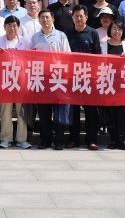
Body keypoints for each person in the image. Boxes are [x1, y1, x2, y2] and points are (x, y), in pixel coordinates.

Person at [30, 9, 71, 150]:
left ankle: (59, 140)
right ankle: (45, 139)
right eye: (42, 18)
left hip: (58, 78)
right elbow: (31, 58)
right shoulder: (35, 38)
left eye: (47, 17)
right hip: (42, 78)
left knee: (59, 111)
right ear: (39, 20)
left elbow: (68, 56)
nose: (45, 20)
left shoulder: (61, 35)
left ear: (53, 19)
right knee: (44, 111)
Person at [0, 15, 32, 149]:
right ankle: (5, 138)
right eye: (9, 25)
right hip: (5, 81)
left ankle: (22, 139)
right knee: (5, 111)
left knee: (21, 111)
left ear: (18, 27)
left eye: (14, 26)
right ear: (4, 27)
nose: (12, 28)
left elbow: (30, 61)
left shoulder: (25, 42)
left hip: (21, 80)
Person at [63, 5, 102, 150]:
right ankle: (74, 139)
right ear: (72, 17)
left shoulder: (93, 33)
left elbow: (97, 55)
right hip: (72, 77)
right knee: (73, 111)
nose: (78, 18)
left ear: (86, 17)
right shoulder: (66, 33)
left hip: (88, 77)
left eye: (81, 16)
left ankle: (92, 139)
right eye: (76, 16)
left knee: (90, 111)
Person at [100, 19, 125, 151]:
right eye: (114, 28)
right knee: (111, 114)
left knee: (124, 114)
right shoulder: (103, 46)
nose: (117, 31)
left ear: (123, 31)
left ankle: (123, 140)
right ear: (110, 30)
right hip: (109, 84)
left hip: (124, 85)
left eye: (120, 29)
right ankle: (113, 140)